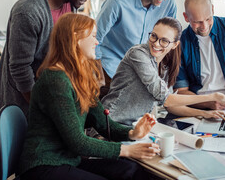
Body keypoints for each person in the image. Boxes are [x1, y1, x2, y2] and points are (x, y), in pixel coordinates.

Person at [19, 13, 158, 180]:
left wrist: (132, 133)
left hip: (68, 160)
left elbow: (102, 122)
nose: (97, 42)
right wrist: (126, 150)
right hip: (44, 165)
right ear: (76, 39)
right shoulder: (55, 80)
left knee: (131, 170)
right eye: (93, 36)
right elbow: (77, 142)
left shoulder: (79, 77)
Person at [0, 0, 97, 115]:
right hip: (24, 97)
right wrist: (41, 109)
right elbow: (20, 69)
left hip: (49, 89)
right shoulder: (28, 12)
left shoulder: (70, 2)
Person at [102, 17, 225, 126]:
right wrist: (212, 97)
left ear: (175, 45)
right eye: (154, 36)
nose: (156, 43)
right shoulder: (138, 54)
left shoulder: (164, 66)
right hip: (111, 124)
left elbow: (170, 106)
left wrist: (205, 114)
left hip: (134, 127)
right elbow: (167, 100)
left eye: (164, 40)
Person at [96, 0, 177, 99]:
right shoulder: (117, 3)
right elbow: (95, 38)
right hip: (112, 69)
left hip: (144, 69)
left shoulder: (168, 2)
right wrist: (98, 76)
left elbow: (170, 37)